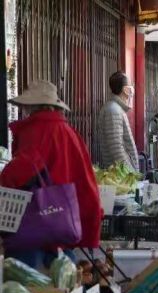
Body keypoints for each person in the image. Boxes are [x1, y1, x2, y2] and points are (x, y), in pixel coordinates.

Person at [0, 80, 103, 268]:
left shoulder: (37, 130)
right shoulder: (68, 131)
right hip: (63, 219)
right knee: (61, 277)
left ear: (32, 105)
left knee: (30, 282)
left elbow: (21, 170)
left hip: (35, 221)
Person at [98, 71, 138, 171]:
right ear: (125, 89)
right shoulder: (113, 110)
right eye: (131, 85)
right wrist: (131, 173)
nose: (133, 87)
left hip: (121, 173)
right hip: (120, 176)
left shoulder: (117, 108)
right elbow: (116, 148)